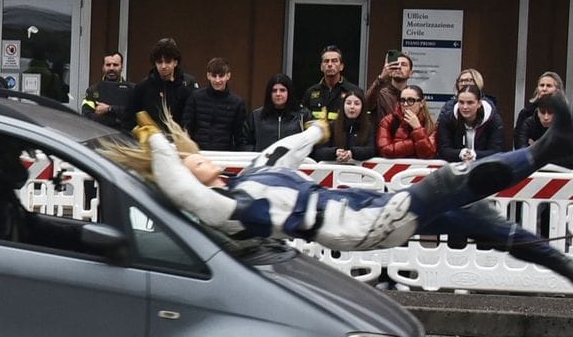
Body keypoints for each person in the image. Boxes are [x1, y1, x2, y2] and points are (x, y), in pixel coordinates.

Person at [103, 94, 573, 284]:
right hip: (363, 225)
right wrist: (160, 148)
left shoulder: (248, 180)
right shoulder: (230, 210)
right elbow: (187, 195)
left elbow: (281, 153)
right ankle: (547, 149)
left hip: (368, 204)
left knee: (479, 219)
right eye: (194, 162)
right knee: (450, 180)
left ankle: (562, 266)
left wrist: (314, 133)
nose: (202, 160)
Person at [129, 37, 199, 129]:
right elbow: (130, 116)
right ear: (155, 63)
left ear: (175, 62)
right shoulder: (143, 86)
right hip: (152, 138)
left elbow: (194, 117)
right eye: (159, 62)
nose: (163, 66)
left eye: (168, 62)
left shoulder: (187, 85)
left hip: (179, 138)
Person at [180, 57, 246, 151]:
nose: (217, 80)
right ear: (208, 76)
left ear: (228, 76)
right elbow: (186, 128)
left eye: (221, 76)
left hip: (225, 155)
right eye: (214, 76)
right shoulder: (195, 97)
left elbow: (240, 137)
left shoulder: (237, 103)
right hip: (198, 153)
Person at [436, 84, 504, 163]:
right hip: (455, 168)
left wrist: (475, 155)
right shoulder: (448, 119)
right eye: (461, 102)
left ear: (479, 104)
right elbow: (444, 150)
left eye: (470, 103)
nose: (465, 107)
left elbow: (496, 151)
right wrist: (461, 153)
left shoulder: (493, 120)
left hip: (485, 167)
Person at [243, 73, 309, 152]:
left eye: (282, 90)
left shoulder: (302, 115)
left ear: (289, 92)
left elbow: (312, 141)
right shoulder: (256, 116)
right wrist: (256, 154)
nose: (278, 94)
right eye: (274, 91)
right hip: (264, 162)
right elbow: (244, 142)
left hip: (294, 163)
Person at [313, 88, 376, 163]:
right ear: (343, 106)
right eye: (348, 103)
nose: (352, 107)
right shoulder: (332, 126)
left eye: (357, 104)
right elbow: (319, 151)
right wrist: (335, 152)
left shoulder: (369, 127)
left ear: (362, 107)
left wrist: (352, 153)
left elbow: (372, 150)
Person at [377, 84, 438, 159]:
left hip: (420, 170)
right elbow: (385, 150)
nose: (405, 104)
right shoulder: (388, 121)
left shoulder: (431, 124)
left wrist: (417, 128)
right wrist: (415, 143)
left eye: (410, 100)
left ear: (421, 103)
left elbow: (428, 154)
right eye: (402, 100)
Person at [302, 45, 360, 122]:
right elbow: (303, 119)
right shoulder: (311, 92)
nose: (329, 64)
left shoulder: (353, 91)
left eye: (334, 61)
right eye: (326, 61)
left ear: (341, 66)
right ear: (321, 67)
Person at [81, 51, 134, 130]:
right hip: (100, 136)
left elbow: (134, 114)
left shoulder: (132, 89)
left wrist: (109, 109)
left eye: (115, 65)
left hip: (126, 138)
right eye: (108, 65)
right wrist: (116, 120)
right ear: (103, 67)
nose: (111, 68)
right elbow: (86, 116)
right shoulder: (93, 90)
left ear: (122, 67)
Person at [516, 98, 573, 169]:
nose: (546, 117)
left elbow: (570, 158)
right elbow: (522, 153)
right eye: (543, 112)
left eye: (550, 113)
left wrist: (536, 148)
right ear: (537, 112)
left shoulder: (565, 127)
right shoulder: (529, 124)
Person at [514, 72, 564, 149]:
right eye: (542, 85)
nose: (544, 89)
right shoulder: (526, 113)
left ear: (558, 90)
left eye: (549, 86)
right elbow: (519, 146)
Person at [367, 50, 413, 122]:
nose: (399, 67)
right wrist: (381, 78)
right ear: (390, 71)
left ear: (411, 73)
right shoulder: (380, 94)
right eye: (395, 64)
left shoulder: (414, 96)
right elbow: (366, 104)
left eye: (403, 64)